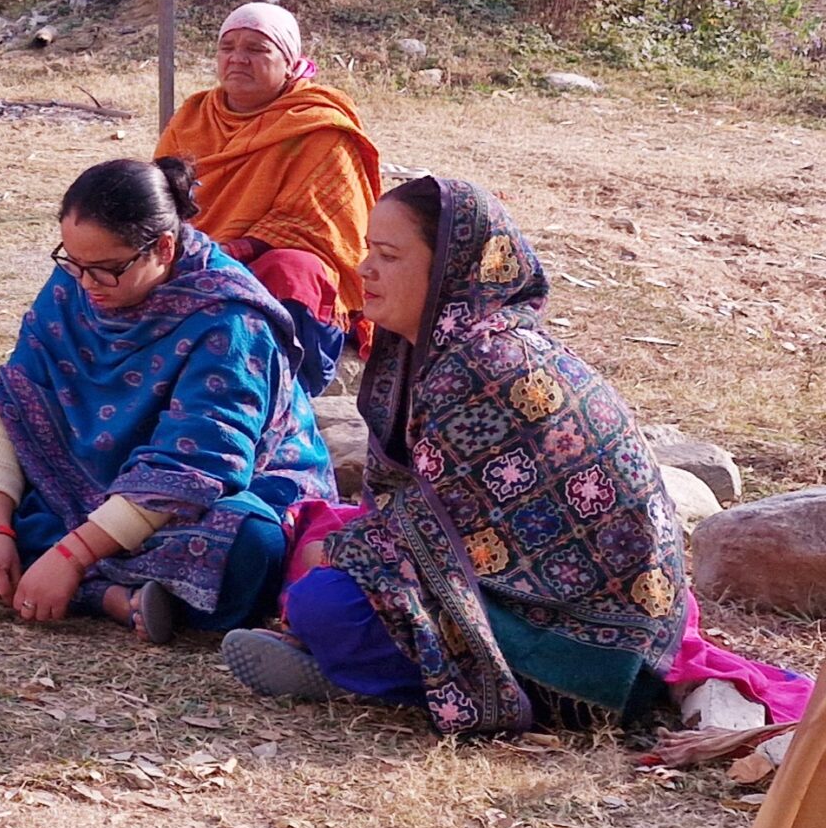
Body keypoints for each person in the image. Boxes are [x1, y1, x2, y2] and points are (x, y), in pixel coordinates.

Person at [225, 178, 814, 733]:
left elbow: (438, 533)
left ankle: (371, 674)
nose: (365, 269)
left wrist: (350, 555)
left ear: (450, 271)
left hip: (583, 647)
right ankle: (357, 663)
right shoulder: (433, 348)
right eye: (368, 250)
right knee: (321, 540)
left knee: (325, 601)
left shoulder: (481, 366)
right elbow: (424, 510)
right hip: (512, 580)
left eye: (390, 255)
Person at [0, 159, 335, 645]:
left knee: (252, 545)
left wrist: (70, 558)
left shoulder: (230, 318)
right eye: (72, 263)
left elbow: (193, 468)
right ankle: (119, 595)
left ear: (164, 247)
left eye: (105, 269)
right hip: (84, 481)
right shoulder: (78, 283)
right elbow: (14, 399)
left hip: (201, 501)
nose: (86, 284)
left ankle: (73, 581)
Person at [153, 3, 381, 392]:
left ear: (290, 63)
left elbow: (315, 227)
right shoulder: (193, 115)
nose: (237, 59)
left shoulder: (319, 124)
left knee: (293, 270)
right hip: (200, 251)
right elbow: (162, 198)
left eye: (257, 49)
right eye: (227, 48)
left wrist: (228, 254)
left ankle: (287, 388)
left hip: (266, 263)